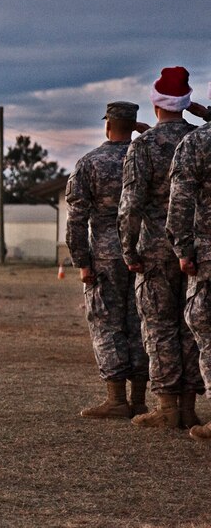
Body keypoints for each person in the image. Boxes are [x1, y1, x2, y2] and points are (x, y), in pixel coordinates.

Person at [118, 67, 205, 428]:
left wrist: (128, 248)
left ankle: (167, 407)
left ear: (155, 105)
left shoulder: (145, 145)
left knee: (159, 326)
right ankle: (188, 406)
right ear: (185, 104)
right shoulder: (201, 138)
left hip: (154, 247)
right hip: (196, 247)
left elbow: (130, 203)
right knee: (192, 327)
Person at [66, 101, 149, 419]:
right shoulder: (145, 156)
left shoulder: (91, 162)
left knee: (106, 324)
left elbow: (76, 219)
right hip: (145, 253)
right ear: (134, 124)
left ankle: (116, 400)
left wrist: (81, 261)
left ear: (107, 125)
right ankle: (140, 399)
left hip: (105, 256)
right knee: (142, 322)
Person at [166, 83, 211, 440]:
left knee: (204, 325)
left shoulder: (197, 143)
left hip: (208, 254)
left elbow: (180, 204)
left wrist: (182, 250)